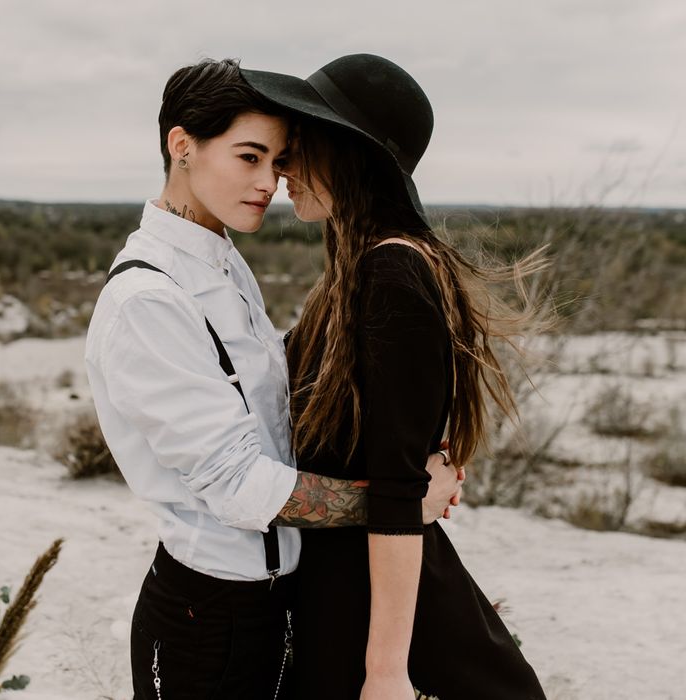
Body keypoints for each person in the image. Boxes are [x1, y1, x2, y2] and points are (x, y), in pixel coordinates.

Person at [84, 58, 462, 700]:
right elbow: (236, 485)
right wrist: (398, 503)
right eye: (250, 157)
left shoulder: (223, 262)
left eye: (279, 158)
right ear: (182, 147)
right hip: (207, 614)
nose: (270, 181)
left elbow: (277, 409)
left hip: (275, 600)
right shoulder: (150, 299)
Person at [241, 54, 548, 700]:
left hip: (381, 618)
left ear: (349, 152)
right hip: (339, 594)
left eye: (301, 146)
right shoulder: (351, 274)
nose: (283, 167)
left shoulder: (393, 279)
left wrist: (385, 672)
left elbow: (394, 496)